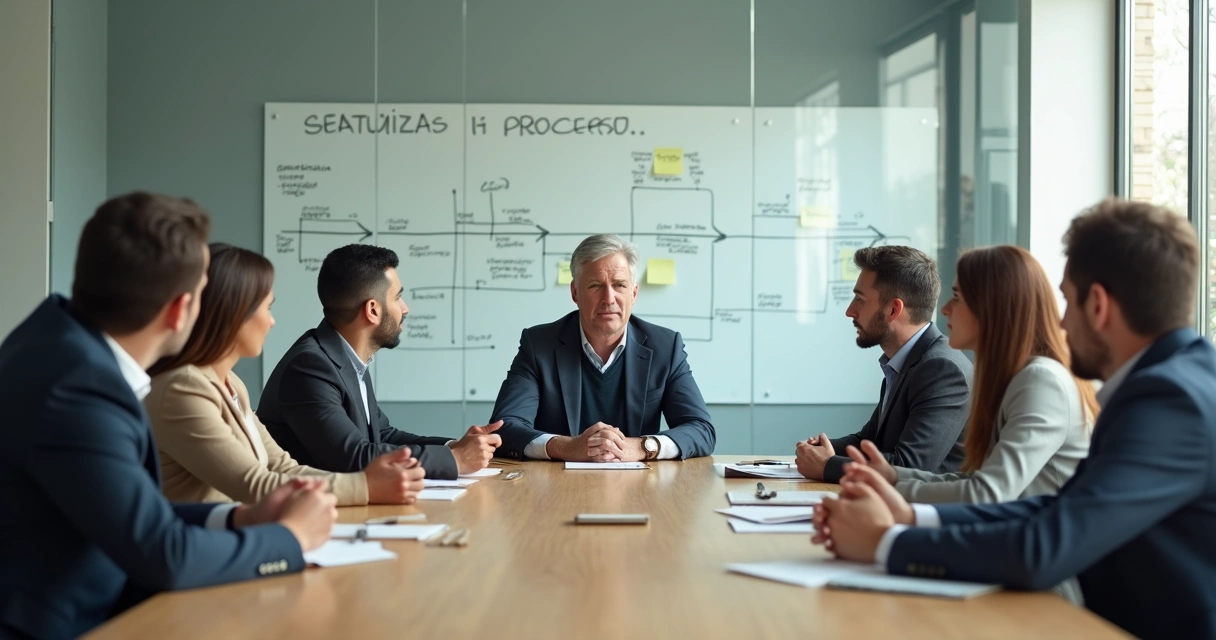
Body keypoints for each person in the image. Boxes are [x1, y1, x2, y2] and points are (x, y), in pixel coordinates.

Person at [813, 199, 1216, 640]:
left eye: (1067, 300)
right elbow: (1057, 507)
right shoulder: (1176, 383)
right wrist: (910, 516)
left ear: (1098, 305)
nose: (1060, 320)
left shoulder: (1166, 399)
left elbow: (1045, 543)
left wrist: (886, 541)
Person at [0, 193, 335, 640]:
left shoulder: (57, 343)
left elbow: (138, 516)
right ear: (181, 311)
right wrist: (291, 538)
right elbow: (166, 558)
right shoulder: (79, 389)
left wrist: (236, 520)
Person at [145, 244, 427, 507]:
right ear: (231, 313)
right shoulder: (183, 388)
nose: (271, 321)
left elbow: (282, 467)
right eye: (266, 308)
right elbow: (254, 485)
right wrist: (365, 487)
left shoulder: (232, 384)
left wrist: (367, 484)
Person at [845, 245, 1096, 504]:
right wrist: (891, 477)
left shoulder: (1042, 381)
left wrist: (890, 488)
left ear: (993, 307)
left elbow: (988, 492)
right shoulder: (1014, 379)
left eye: (957, 296)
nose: (945, 309)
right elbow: (975, 480)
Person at [259, 244, 501, 479]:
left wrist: (453, 447)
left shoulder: (344, 358)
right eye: (398, 298)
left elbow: (382, 436)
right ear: (372, 310)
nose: (405, 309)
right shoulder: (310, 368)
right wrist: (455, 460)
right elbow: (352, 457)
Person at [490, 234, 715, 462]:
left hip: (639, 487)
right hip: (556, 486)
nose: (609, 298)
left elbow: (701, 430)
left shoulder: (665, 347)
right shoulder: (539, 345)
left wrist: (642, 446)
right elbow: (504, 429)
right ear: (575, 293)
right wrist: (567, 447)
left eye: (619, 285)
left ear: (634, 293)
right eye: (595, 285)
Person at [795, 246, 973, 483]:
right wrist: (818, 450)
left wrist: (828, 465)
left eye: (859, 299)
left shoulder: (942, 369)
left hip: (925, 514)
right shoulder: (904, 362)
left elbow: (911, 466)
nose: (850, 311)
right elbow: (869, 442)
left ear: (893, 309)